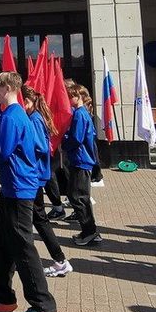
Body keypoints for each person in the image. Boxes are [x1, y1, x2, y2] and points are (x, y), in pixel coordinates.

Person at [0, 71, 58, 312]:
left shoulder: (13, 116)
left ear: (7, 88)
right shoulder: (15, 114)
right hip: (13, 187)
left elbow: (2, 154)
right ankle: (2, 296)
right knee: (2, 241)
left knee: (23, 246)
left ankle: (43, 305)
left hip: (19, 188)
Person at [21, 86, 71, 278]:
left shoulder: (34, 119)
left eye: (23, 102)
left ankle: (60, 260)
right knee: (36, 219)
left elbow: (41, 146)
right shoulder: (36, 117)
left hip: (34, 175)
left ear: (30, 102)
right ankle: (59, 260)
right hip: (36, 175)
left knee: (37, 219)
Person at [62, 82, 101, 246]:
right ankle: (90, 230)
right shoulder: (82, 113)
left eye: (71, 96)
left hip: (80, 160)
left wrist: (63, 142)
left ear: (78, 97)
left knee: (78, 197)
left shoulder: (79, 114)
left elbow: (76, 139)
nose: (68, 99)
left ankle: (89, 231)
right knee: (79, 196)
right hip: (82, 160)